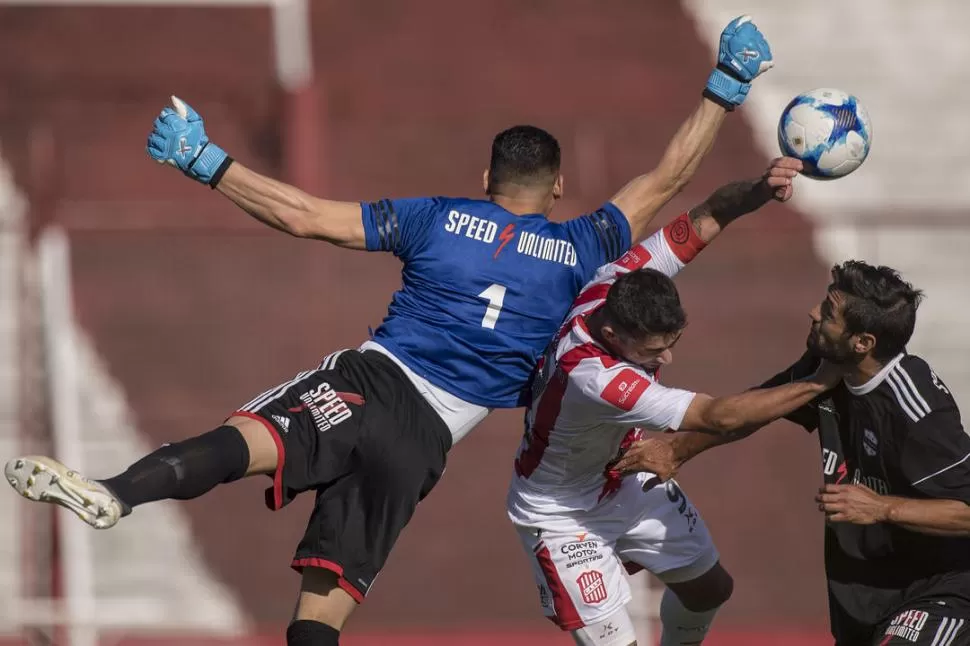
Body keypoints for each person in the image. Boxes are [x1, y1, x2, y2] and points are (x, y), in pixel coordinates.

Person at [4, 16, 774, 646]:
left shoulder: (434, 218)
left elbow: (304, 217)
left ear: (485, 181)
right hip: (426, 445)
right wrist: (724, 90)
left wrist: (208, 163)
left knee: (245, 442)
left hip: (372, 385)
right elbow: (668, 181)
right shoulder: (579, 249)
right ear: (558, 188)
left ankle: (116, 491)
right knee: (326, 598)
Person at [507, 157, 842, 646]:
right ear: (610, 334)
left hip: (622, 475)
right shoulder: (594, 376)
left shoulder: (620, 278)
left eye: (673, 341)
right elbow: (718, 417)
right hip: (561, 514)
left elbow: (706, 216)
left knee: (709, 589)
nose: (666, 356)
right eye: (652, 350)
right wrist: (821, 382)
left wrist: (758, 188)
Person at [626, 262, 970, 646]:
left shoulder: (919, 413)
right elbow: (757, 410)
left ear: (863, 342)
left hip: (939, 588)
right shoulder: (827, 369)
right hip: (862, 591)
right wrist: (677, 450)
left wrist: (882, 509)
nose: (813, 314)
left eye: (828, 314)